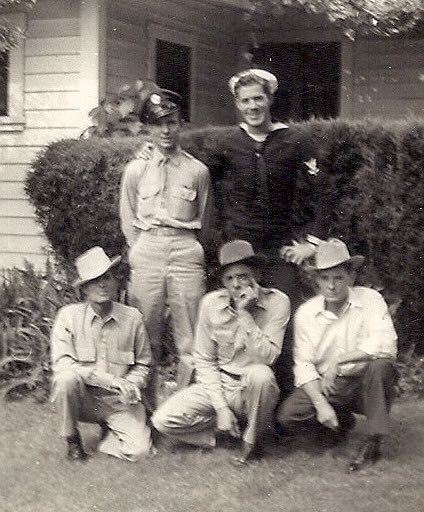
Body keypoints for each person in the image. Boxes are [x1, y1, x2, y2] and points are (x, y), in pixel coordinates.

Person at [152, 240, 291, 465]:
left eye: (243, 276)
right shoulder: (210, 304)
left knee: (261, 374)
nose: (236, 285)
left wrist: (245, 315)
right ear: (223, 282)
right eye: (229, 278)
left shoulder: (278, 301)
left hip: (253, 388)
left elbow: (269, 357)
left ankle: (251, 442)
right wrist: (221, 408)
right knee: (162, 420)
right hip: (221, 384)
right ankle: (221, 437)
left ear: (256, 274)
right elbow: (205, 360)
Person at [276, 238, 398, 472]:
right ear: (316, 281)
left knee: (381, 366)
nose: (331, 286)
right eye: (325, 278)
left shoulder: (370, 299)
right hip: (332, 386)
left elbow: (386, 344)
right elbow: (303, 365)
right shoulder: (306, 313)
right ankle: (339, 424)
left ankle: (373, 441)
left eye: (338, 278)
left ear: (351, 277)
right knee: (289, 415)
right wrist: (321, 405)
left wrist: (339, 361)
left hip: (366, 381)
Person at [119, 84, 211, 391]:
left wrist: (191, 246)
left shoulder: (197, 171)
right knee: (145, 337)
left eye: (171, 122)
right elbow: (128, 215)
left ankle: (186, 418)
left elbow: (205, 220)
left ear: (181, 123)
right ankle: (144, 415)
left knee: (191, 338)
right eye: (158, 123)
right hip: (147, 249)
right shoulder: (136, 169)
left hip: (186, 250)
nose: (166, 130)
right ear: (147, 127)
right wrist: (139, 250)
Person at [51, 246, 153, 462]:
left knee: (140, 452)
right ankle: (72, 441)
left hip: (118, 401)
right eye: (95, 279)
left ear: (115, 281)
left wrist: (132, 383)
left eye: (107, 277)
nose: (103, 283)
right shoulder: (68, 317)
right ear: (84, 289)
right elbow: (63, 365)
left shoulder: (132, 318)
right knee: (65, 379)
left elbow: (144, 363)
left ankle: (110, 436)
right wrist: (111, 380)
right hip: (84, 399)